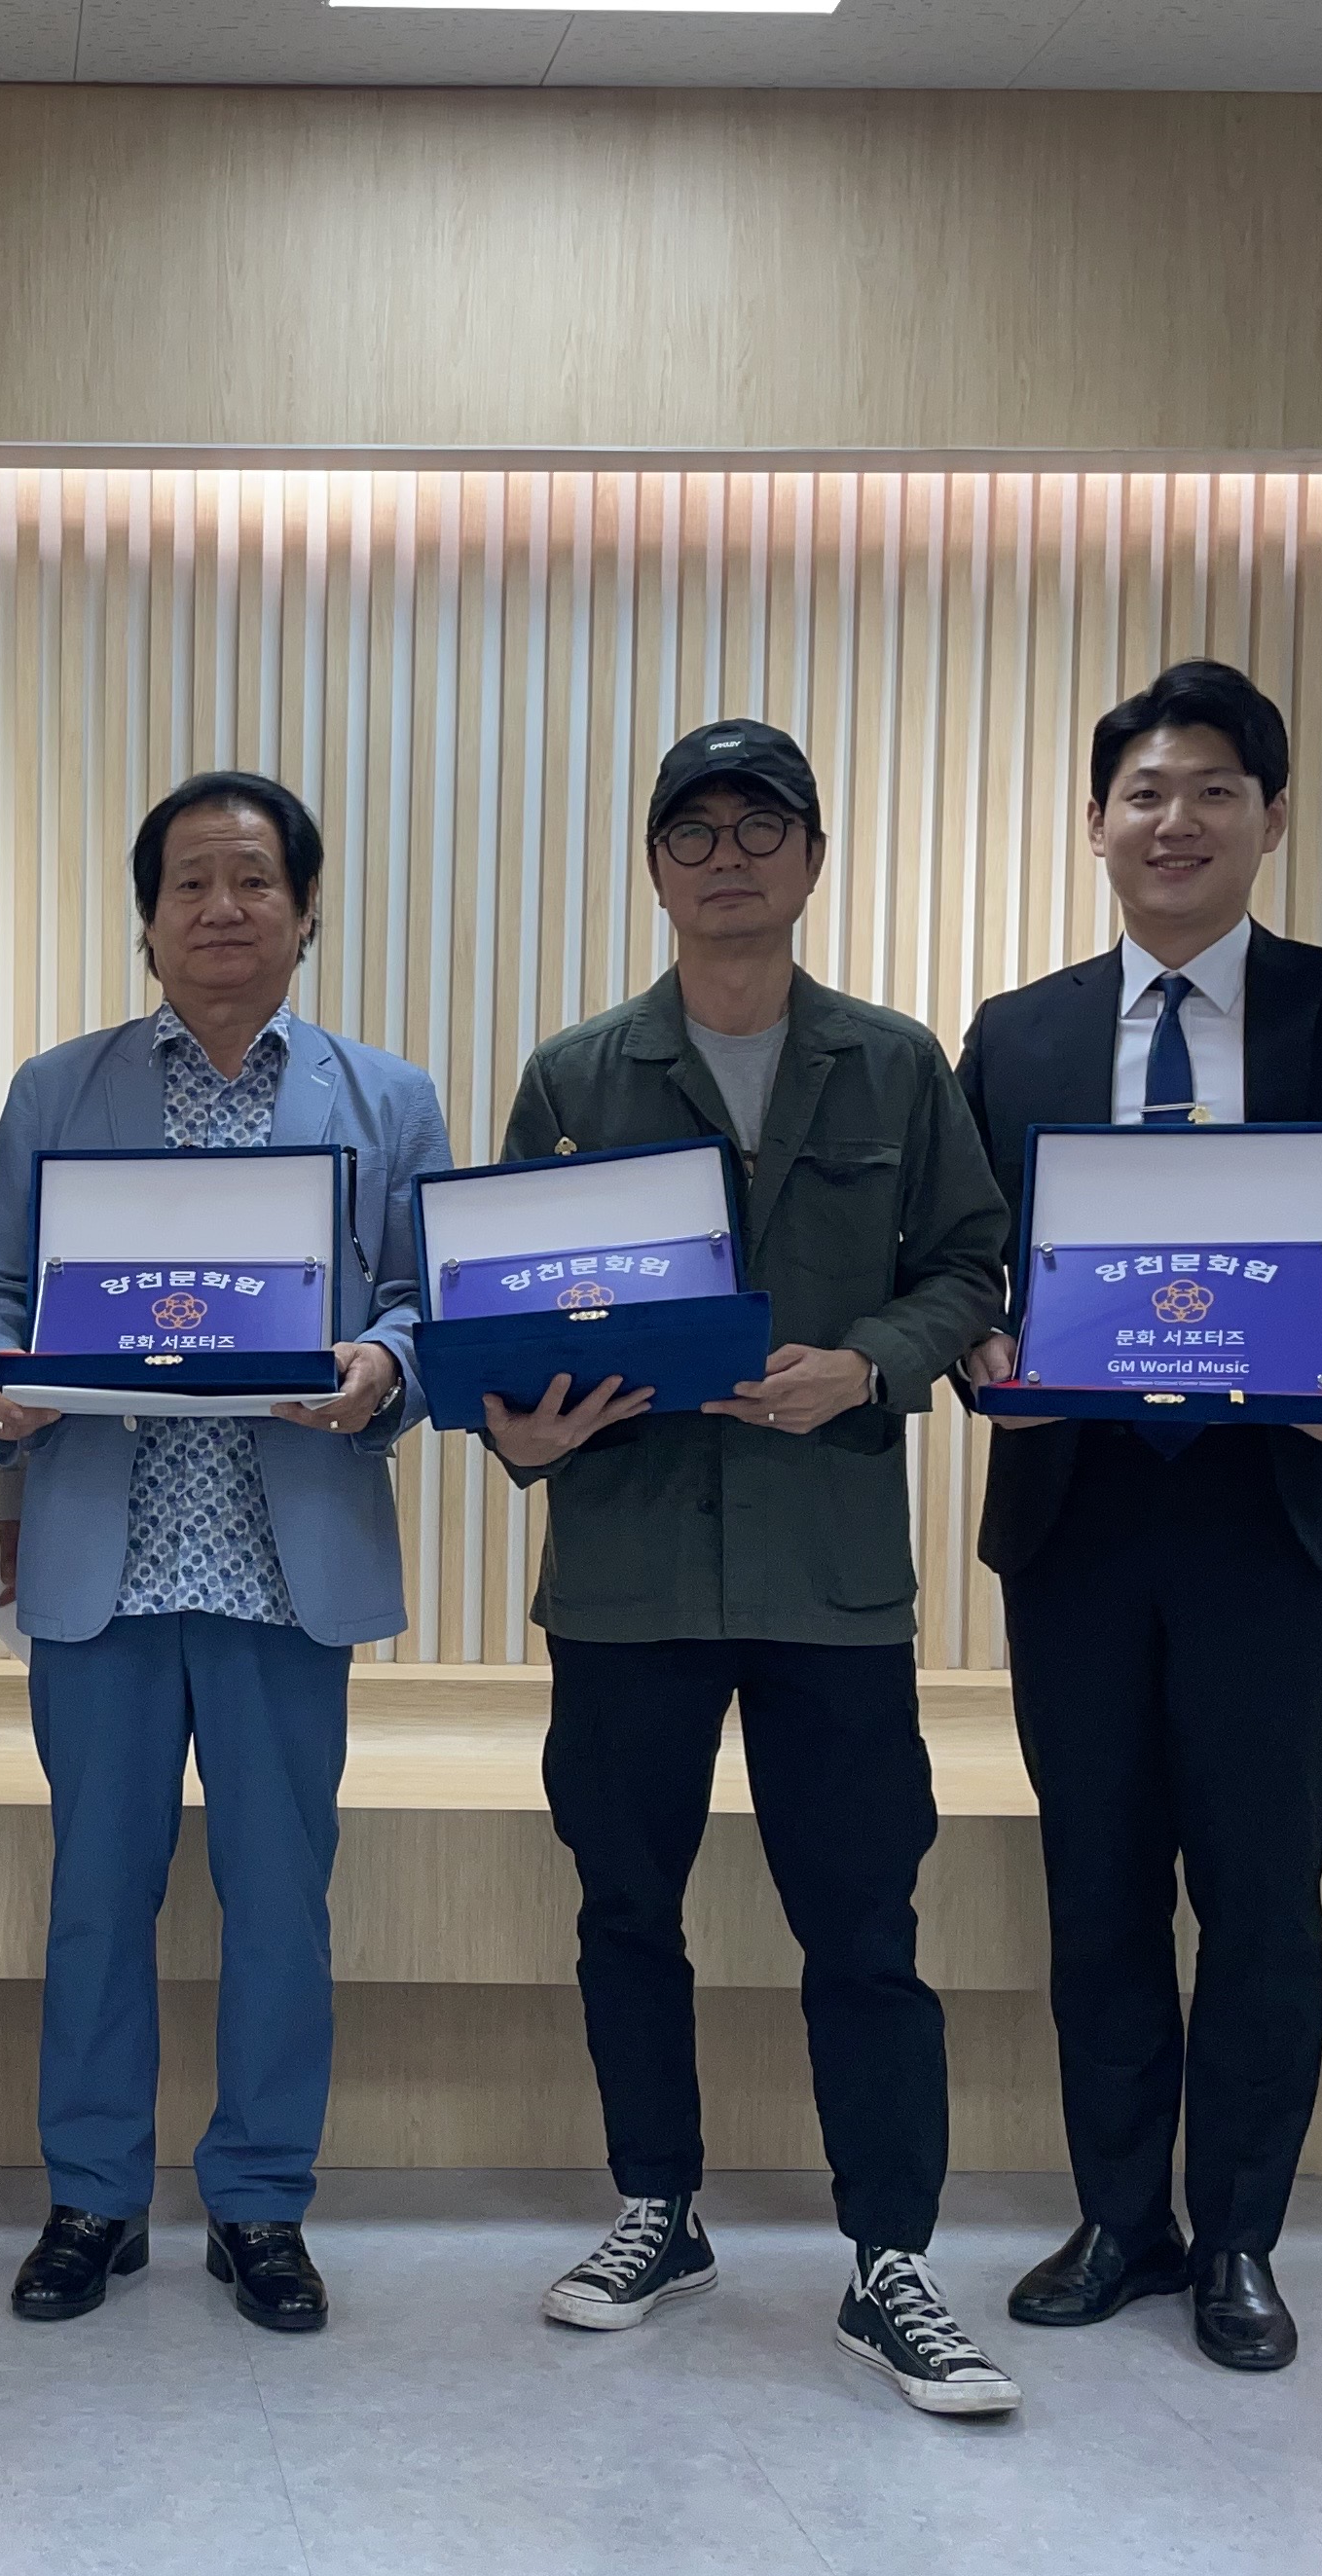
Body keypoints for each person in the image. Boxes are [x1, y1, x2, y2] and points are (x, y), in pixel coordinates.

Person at [957, 659, 1322, 2374]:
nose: (1174, 820)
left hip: (1281, 1515)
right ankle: (1123, 2218)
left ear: (1271, 816)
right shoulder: (1018, 1033)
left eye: (1212, 790)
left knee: (1262, 1888)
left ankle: (1242, 2240)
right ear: (1096, 823)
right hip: (1083, 1514)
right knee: (1099, 1880)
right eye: (1144, 792)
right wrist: (975, 1338)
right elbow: (966, 1261)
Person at [488, 718, 1022, 2419]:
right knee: (625, 1907)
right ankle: (659, 2208)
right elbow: (508, 1307)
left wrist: (868, 1365)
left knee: (863, 1921)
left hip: (826, 1570)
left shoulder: (895, 1064)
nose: (729, 858)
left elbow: (972, 1264)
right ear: (656, 867)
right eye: (696, 832)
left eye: (761, 827)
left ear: (812, 858)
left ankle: (892, 2260)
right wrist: (521, 1427)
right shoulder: (577, 1078)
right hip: (630, 1567)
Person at [0, 772, 445, 2337]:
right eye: (190, 884)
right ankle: (93, 2197)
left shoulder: (388, 1099)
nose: (222, 909)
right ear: (148, 919)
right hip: (103, 1560)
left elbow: (423, 1297)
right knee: (96, 1897)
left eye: (253, 882)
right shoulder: (59, 1091)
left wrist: (384, 1364)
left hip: (282, 1568)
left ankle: (260, 2204)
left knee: (281, 1902)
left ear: (306, 912)